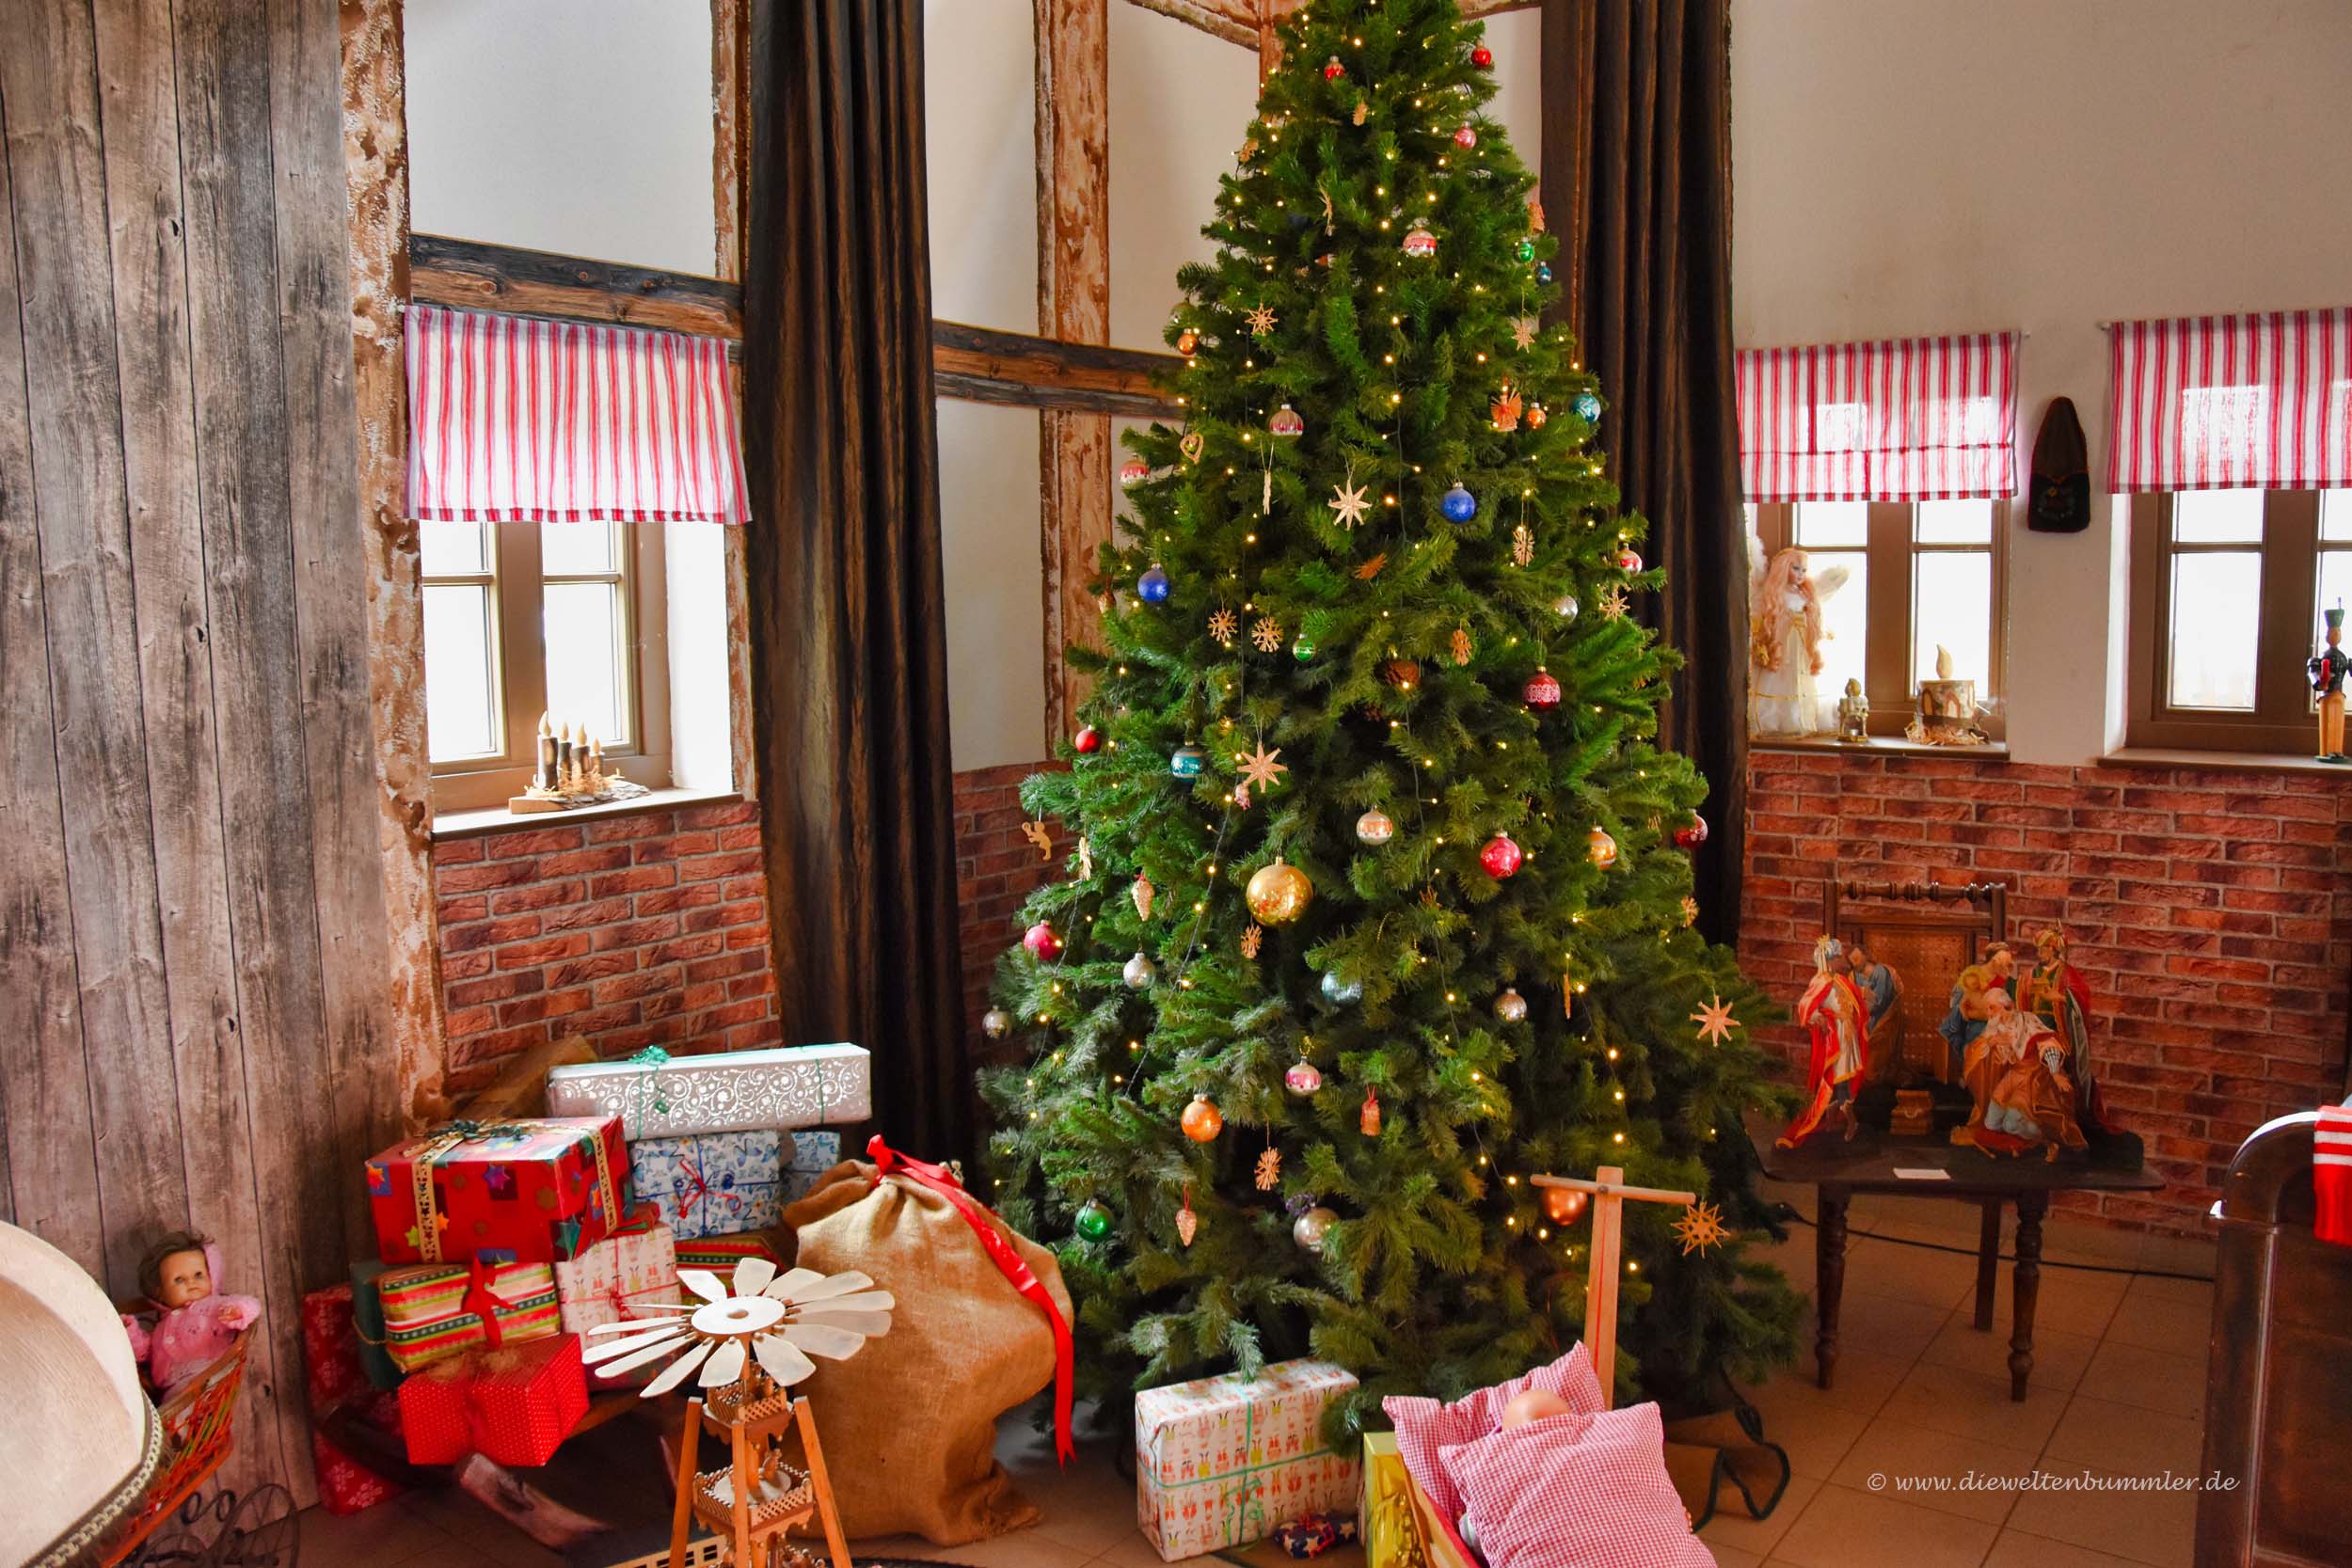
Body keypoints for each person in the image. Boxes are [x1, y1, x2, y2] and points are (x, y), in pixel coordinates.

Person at [1955, 990, 2086, 1161]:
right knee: (1991, 1123)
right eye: (1987, 1009)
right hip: (2013, 1074)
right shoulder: (1995, 1026)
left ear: (2005, 1007)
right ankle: (2021, 1140)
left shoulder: (2027, 1021)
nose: (1988, 1013)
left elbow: (2048, 1044)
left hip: (2033, 1077)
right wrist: (1991, 1043)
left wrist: (2055, 1073)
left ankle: (2046, 1140)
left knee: (2011, 1124)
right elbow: (1982, 1051)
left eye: (1992, 1008)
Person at [1777, 935, 1870, 1148]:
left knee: (1843, 1076)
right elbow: (1806, 1005)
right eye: (1838, 956)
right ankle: (1847, 1121)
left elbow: (1854, 1001)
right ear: (1830, 959)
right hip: (1835, 1036)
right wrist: (1816, 1017)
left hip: (1847, 1036)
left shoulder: (1839, 980)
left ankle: (1834, 1122)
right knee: (1836, 1076)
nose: (1842, 959)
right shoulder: (1821, 981)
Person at [1749, 547, 1849, 736]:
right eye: (1795, 569)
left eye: (1804, 570)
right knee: (1778, 679)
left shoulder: (1805, 594)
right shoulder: (1775, 594)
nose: (1801, 574)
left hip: (1801, 646)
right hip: (1781, 644)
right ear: (1783, 569)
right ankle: (1776, 719)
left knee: (1800, 678)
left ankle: (1798, 718)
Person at [1847, 942, 1903, 1080]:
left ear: (1866, 956)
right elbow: (1849, 998)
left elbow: (1879, 1003)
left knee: (1873, 1064)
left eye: (1857, 959)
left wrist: (1862, 1001)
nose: (1854, 963)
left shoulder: (1881, 973)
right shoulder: (1853, 976)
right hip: (1862, 1021)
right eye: (1852, 961)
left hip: (1881, 1023)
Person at [2310, 604, 2348, 762]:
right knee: (2328, 722)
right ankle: (2326, 750)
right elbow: (2313, 674)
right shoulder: (2320, 659)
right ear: (2327, 636)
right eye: (2332, 632)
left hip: (2340, 693)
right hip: (2327, 694)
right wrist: (2320, 682)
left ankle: (2337, 749)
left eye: (2337, 632)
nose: (2335, 635)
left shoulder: (2343, 657)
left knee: (2339, 722)